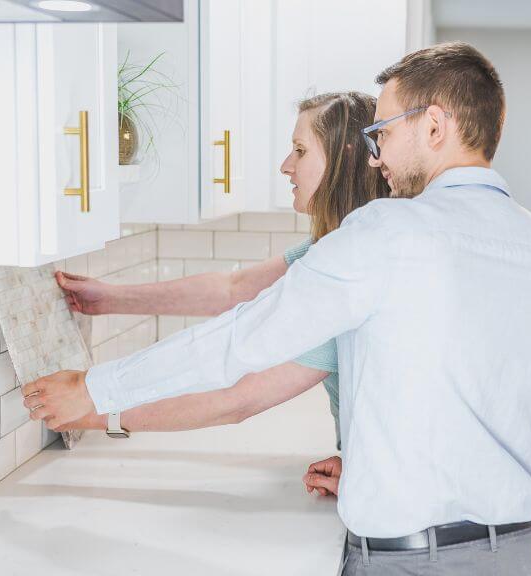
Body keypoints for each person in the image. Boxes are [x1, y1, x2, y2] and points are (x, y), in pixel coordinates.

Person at [24, 42, 531, 576]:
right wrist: (377, 473)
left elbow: (243, 339)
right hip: (523, 554)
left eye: (385, 133)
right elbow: (490, 404)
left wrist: (99, 391)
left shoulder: (386, 233)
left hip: (412, 563)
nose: (377, 157)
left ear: (436, 126)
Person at [51, 91, 389, 497]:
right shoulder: (336, 246)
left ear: (343, 157)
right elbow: (235, 288)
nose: (286, 165)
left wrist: (90, 410)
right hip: (378, 480)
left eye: (300, 151)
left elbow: (237, 400)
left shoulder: (346, 271)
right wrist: (110, 299)